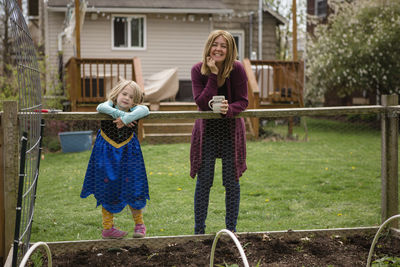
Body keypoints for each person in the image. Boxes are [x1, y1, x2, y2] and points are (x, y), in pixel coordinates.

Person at [190, 30, 248, 234]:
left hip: (231, 133)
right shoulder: (198, 70)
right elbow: (201, 102)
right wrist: (213, 74)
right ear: (209, 46)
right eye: (215, 44)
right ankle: (199, 231)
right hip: (207, 134)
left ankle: (231, 230)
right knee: (204, 182)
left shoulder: (238, 69)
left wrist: (229, 109)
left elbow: (243, 100)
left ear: (230, 50)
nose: (219, 49)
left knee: (231, 183)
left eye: (224, 45)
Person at [81, 78, 150, 239]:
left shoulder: (136, 111)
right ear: (116, 94)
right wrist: (120, 114)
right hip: (106, 154)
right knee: (108, 187)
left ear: (135, 102)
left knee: (134, 186)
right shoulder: (107, 107)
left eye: (131, 97)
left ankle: (139, 225)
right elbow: (101, 106)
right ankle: (107, 228)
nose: (127, 98)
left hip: (129, 154)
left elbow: (145, 110)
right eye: (124, 94)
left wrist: (126, 119)